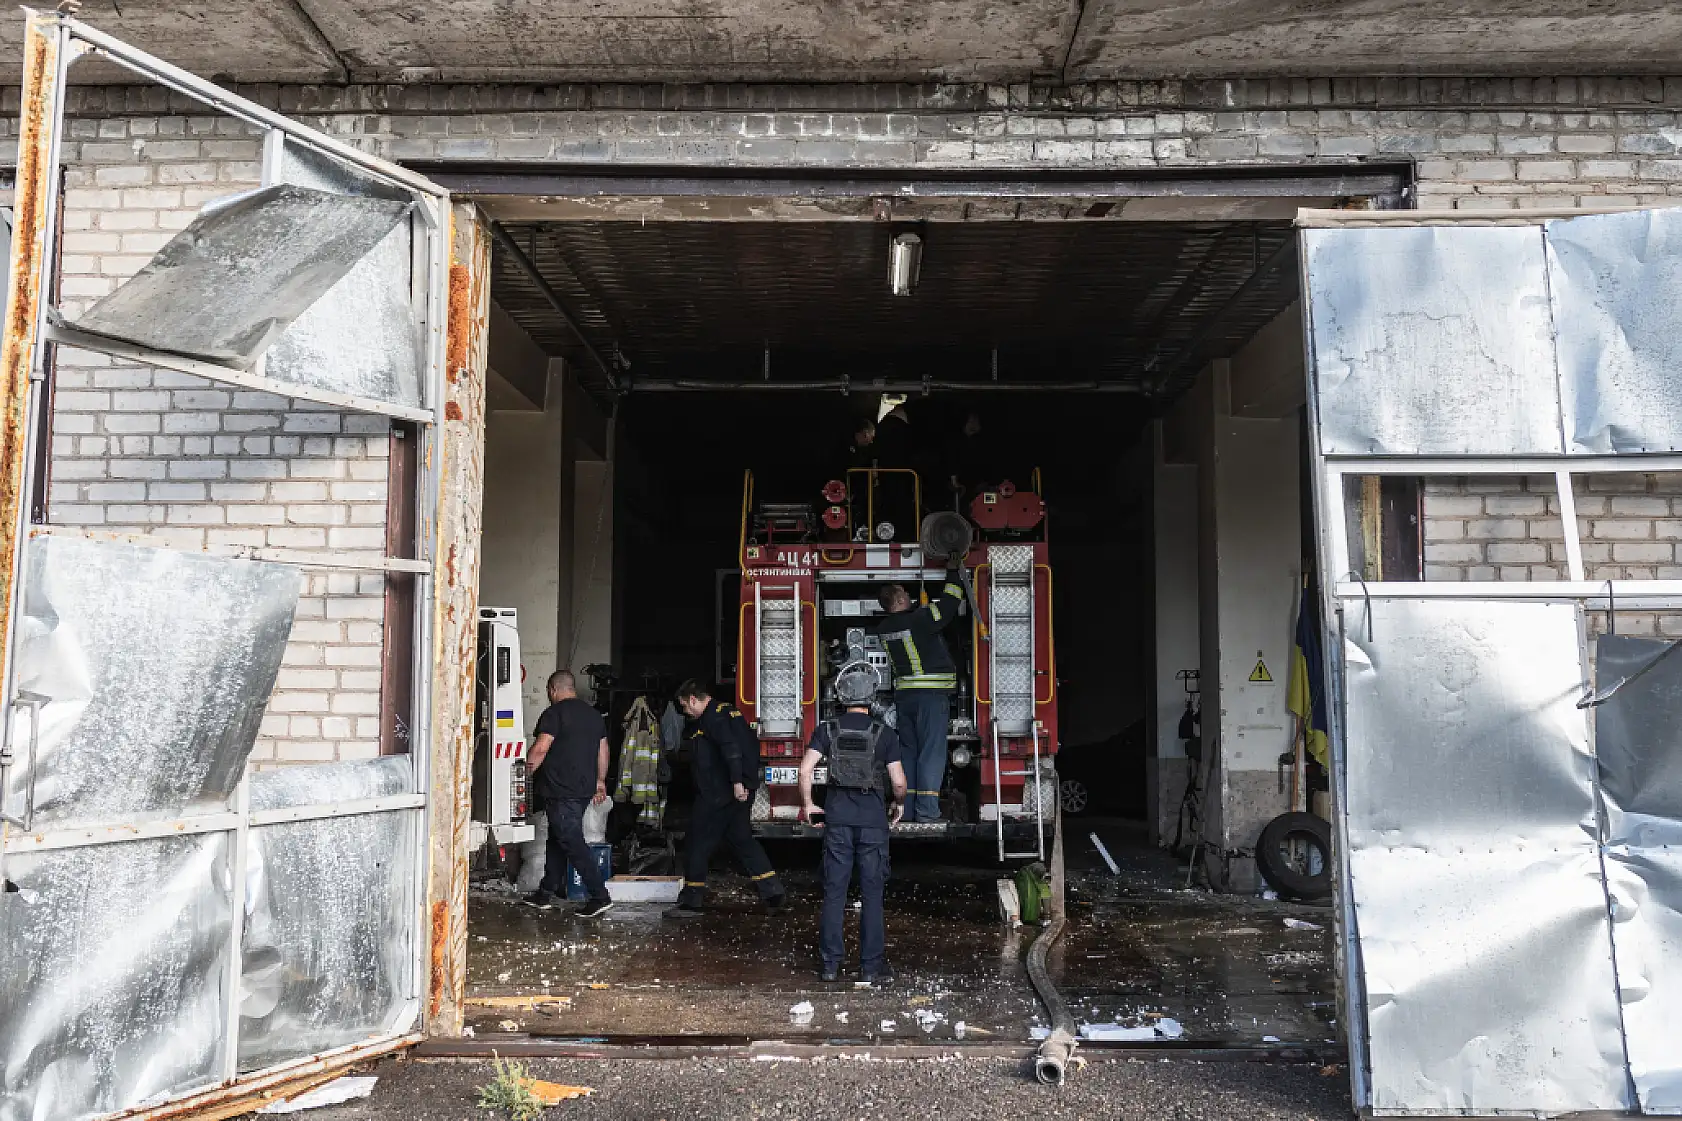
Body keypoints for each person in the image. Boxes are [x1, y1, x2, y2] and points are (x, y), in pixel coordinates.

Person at [801, 664, 907, 984]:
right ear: (871, 697)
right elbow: (899, 782)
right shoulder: (884, 734)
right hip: (873, 824)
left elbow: (805, 771)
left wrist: (809, 805)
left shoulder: (826, 730)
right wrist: (897, 803)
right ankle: (871, 967)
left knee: (835, 892)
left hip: (837, 822)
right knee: (872, 894)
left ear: (841, 696)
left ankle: (830, 966)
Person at [672, 680, 786, 914]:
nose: (685, 711)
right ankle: (773, 891)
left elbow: (730, 749)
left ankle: (691, 899)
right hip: (739, 790)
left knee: (697, 839)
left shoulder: (714, 718)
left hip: (720, 792)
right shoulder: (730, 713)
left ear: (693, 699)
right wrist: (743, 782)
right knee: (741, 838)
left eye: (685, 706)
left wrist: (736, 782)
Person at [874, 560, 965, 823]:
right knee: (931, 753)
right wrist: (953, 572)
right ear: (901, 598)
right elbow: (949, 604)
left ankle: (908, 810)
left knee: (909, 753)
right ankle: (927, 812)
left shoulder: (884, 629)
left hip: (905, 700)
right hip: (931, 698)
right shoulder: (920, 619)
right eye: (905, 593)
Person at [524, 670, 614, 918]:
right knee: (557, 837)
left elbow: (541, 749)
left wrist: (523, 774)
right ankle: (545, 893)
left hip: (561, 790)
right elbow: (603, 751)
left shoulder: (554, 713)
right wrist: (600, 781)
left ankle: (599, 895)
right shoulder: (594, 716)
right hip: (583, 789)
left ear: (553, 689)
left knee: (571, 840)